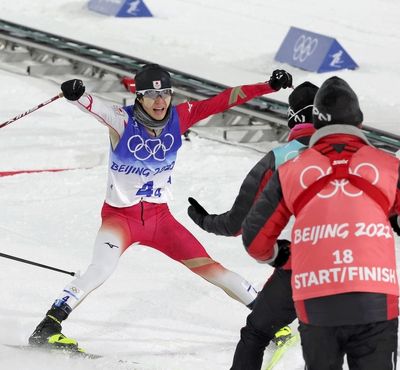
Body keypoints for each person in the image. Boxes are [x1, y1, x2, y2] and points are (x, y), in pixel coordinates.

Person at [28, 64, 293, 350]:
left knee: (212, 268)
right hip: (121, 219)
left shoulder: (181, 116)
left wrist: (268, 86)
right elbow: (94, 106)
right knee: (100, 270)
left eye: (165, 93)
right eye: (151, 95)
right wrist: (77, 95)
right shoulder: (122, 120)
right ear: (139, 96)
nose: (160, 101)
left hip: (160, 220)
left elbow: (225, 100)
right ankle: (48, 327)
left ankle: (270, 322)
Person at [242, 76, 400, 370]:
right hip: (375, 299)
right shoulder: (388, 166)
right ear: (360, 123)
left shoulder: (291, 170)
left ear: (316, 123)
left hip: (316, 301)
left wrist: (277, 254)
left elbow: (254, 239)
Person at [187, 81, 319, 369]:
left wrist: (203, 219)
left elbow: (237, 224)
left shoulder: (278, 159)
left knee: (256, 333)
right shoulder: (356, 155)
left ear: (293, 118)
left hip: (298, 267)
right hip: (353, 268)